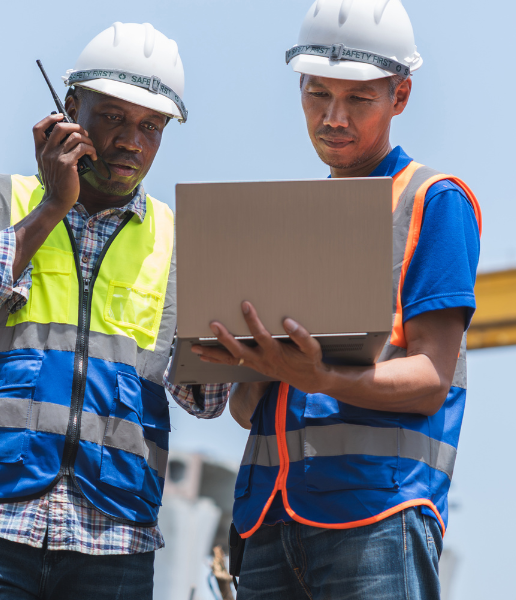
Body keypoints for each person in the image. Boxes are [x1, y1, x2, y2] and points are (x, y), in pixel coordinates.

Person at [0, 23, 226, 600]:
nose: (132, 142)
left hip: (113, 544)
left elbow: (207, 401)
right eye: (112, 118)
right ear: (68, 111)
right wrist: (53, 209)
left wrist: (240, 314)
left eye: (150, 126)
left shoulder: (181, 243)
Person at [193, 1, 483, 597]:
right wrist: (254, 366)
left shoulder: (432, 200)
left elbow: (431, 376)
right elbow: (251, 413)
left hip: (376, 514)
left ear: (400, 96)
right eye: (317, 93)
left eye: (358, 99)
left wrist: (319, 376)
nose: (333, 117)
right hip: (269, 519)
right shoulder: (286, 222)